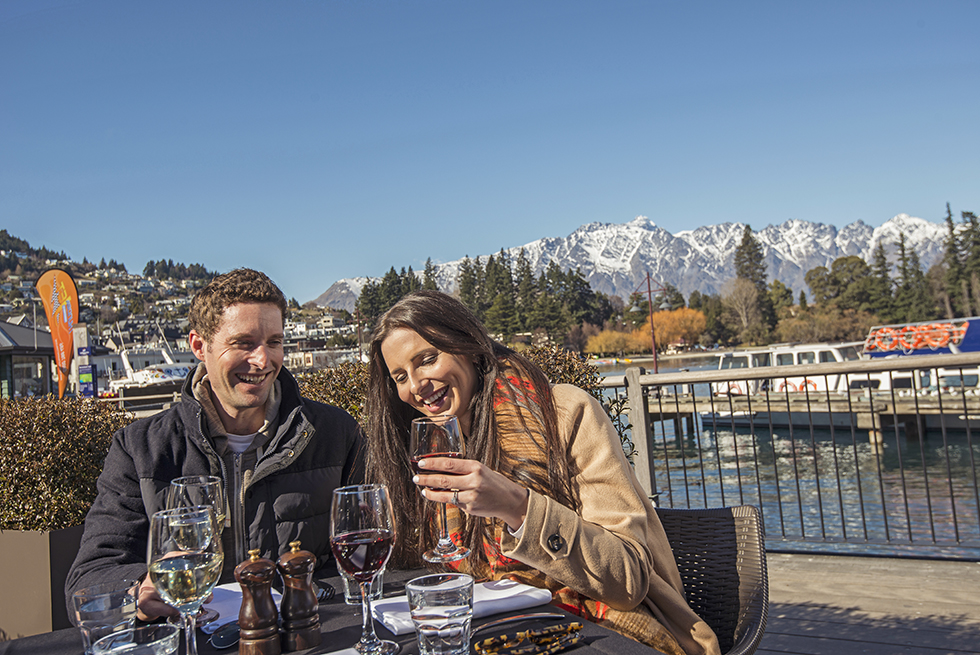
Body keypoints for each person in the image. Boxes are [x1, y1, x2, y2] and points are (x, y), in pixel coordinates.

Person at [366, 290, 719, 655]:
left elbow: (628, 579)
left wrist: (519, 509)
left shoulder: (565, 413)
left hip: (603, 632)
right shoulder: (428, 447)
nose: (415, 386)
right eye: (400, 376)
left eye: (427, 360)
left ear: (468, 347)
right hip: (502, 633)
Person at [66, 268, 364, 621]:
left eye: (274, 342)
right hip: (191, 637)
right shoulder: (140, 449)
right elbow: (90, 578)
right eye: (244, 343)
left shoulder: (334, 433)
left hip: (311, 632)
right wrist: (138, 590)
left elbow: (367, 552)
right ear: (198, 346)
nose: (262, 360)